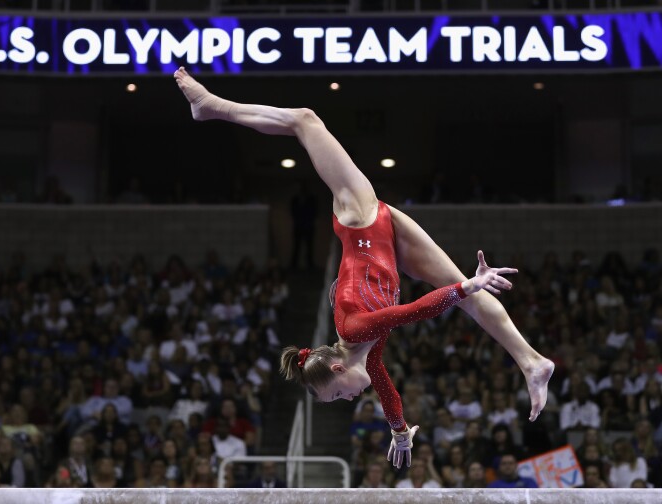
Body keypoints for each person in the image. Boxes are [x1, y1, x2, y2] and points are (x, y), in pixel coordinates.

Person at [174, 67, 554, 469]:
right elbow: (389, 393)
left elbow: (414, 311)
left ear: (338, 368)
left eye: (337, 394)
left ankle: (211, 106)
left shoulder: (356, 332)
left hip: (362, 221)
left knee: (305, 119)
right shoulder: (367, 357)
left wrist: (466, 287)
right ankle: (532, 362)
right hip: (388, 243)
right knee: (472, 297)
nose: (350, 400)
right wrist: (399, 431)